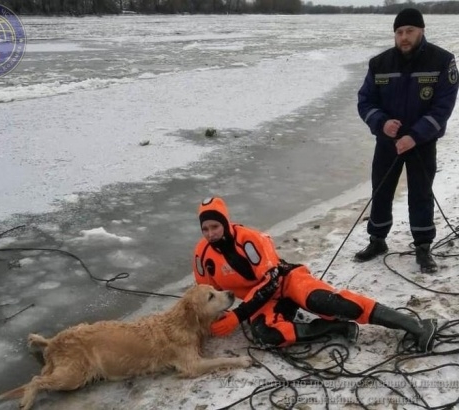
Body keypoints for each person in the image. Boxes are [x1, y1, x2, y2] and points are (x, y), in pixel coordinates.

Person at [192, 196, 436, 352]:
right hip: (262, 303)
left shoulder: (251, 239)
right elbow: (204, 294)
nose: (211, 233)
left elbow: (271, 279)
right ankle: (335, 329)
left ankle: (416, 325)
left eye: (215, 226)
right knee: (266, 336)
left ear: (225, 222)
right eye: (205, 228)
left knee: (331, 302)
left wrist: (237, 316)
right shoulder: (202, 255)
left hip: (285, 281)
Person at [355, 8, 458, 273]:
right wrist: (382, 123)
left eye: (410, 30)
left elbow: (442, 108)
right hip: (387, 141)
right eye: (399, 32)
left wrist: (415, 135)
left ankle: (423, 247)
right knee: (381, 191)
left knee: (421, 194)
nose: (404, 37)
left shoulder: (442, 61)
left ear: (421, 30)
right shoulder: (379, 63)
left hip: (422, 143)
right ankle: (377, 240)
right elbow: (366, 100)